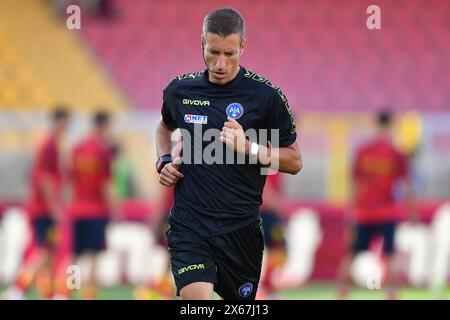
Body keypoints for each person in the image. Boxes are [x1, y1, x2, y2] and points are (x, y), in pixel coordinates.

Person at [155, 8, 302, 300]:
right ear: (202, 43)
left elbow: (294, 161)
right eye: (213, 52)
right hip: (190, 226)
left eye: (230, 54)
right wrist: (164, 160)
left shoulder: (265, 98)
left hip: (241, 232)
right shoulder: (180, 91)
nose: (220, 63)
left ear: (243, 47)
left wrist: (250, 147)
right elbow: (163, 128)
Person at [336, 110, 417, 300]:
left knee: (352, 254)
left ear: (376, 124)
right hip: (387, 211)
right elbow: (406, 186)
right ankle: (391, 294)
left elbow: (355, 185)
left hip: (364, 212)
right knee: (389, 255)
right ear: (390, 126)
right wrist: (412, 212)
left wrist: (351, 213)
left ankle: (341, 292)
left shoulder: (364, 151)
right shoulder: (397, 154)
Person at [3, 108, 70, 300]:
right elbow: (46, 179)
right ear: (59, 121)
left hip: (40, 206)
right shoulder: (49, 145)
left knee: (49, 251)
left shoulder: (48, 143)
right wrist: (54, 208)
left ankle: (48, 293)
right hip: (43, 208)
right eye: (65, 122)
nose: (66, 127)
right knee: (43, 251)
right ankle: (17, 289)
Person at [68, 111, 118, 299]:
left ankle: (68, 292)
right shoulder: (102, 151)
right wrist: (114, 209)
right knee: (94, 255)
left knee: (75, 255)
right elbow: (105, 184)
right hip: (96, 210)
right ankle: (89, 295)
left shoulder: (77, 149)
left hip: (77, 208)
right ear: (104, 125)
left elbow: (71, 180)